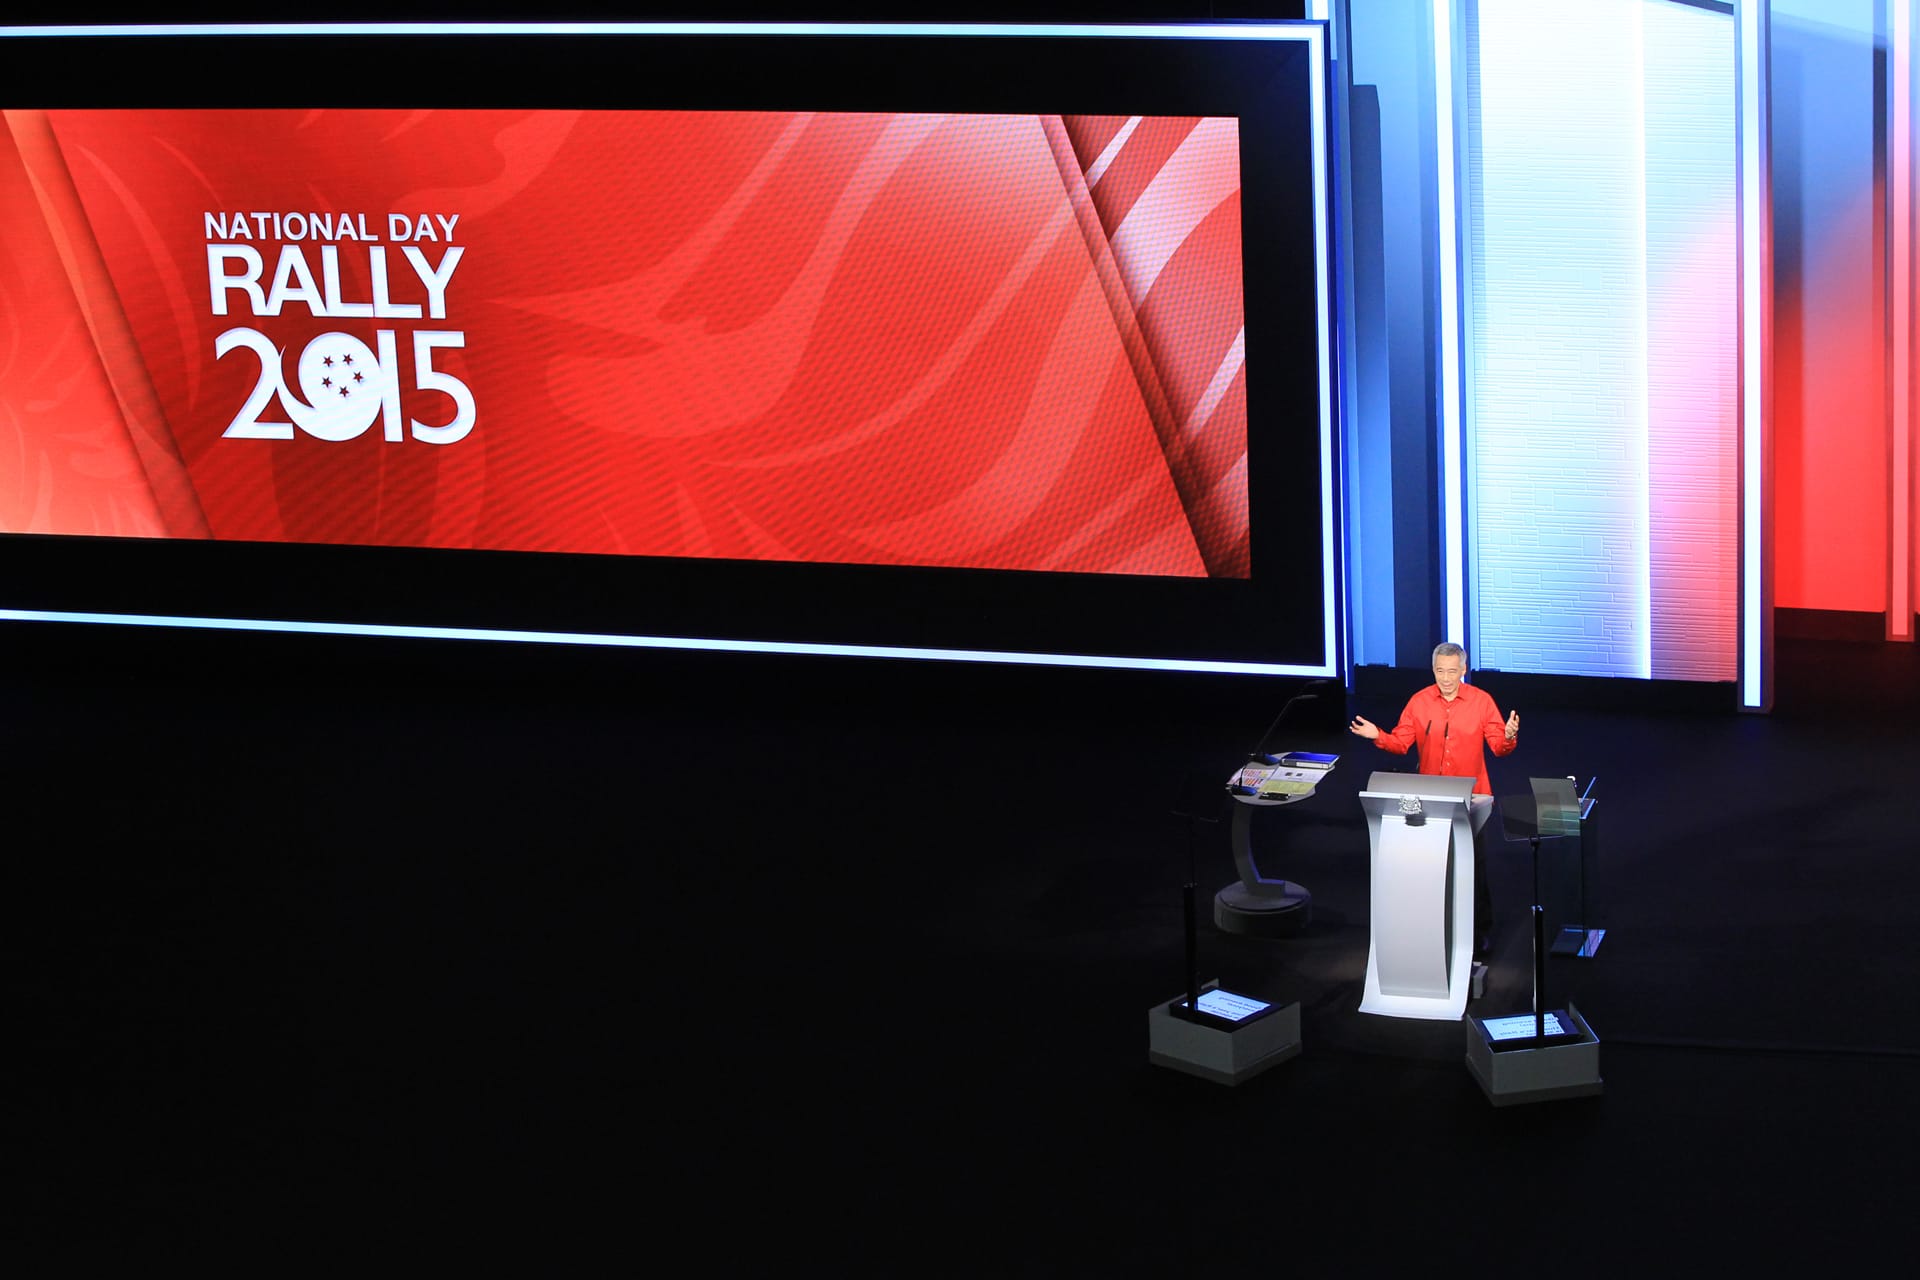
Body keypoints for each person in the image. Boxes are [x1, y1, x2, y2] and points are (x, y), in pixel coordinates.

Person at [1349, 642, 1518, 961]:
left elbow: (1498, 747)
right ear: (1433, 670)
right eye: (1440, 671)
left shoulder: (1482, 702)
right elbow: (1401, 743)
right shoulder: (1419, 701)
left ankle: (1479, 932)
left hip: (1473, 799)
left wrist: (1508, 735)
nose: (1446, 678)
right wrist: (1377, 735)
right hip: (1431, 797)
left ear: (1464, 670)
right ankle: (1434, 930)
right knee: (1432, 865)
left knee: (1473, 867)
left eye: (1452, 671)